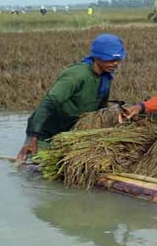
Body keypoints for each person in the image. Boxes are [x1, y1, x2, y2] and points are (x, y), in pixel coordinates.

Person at [16, 33, 127, 162]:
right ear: (97, 57)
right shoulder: (76, 75)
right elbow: (48, 104)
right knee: (34, 172)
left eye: (118, 60)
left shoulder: (105, 77)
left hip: (70, 133)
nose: (115, 64)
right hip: (47, 133)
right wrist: (32, 138)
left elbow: (99, 110)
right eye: (110, 60)